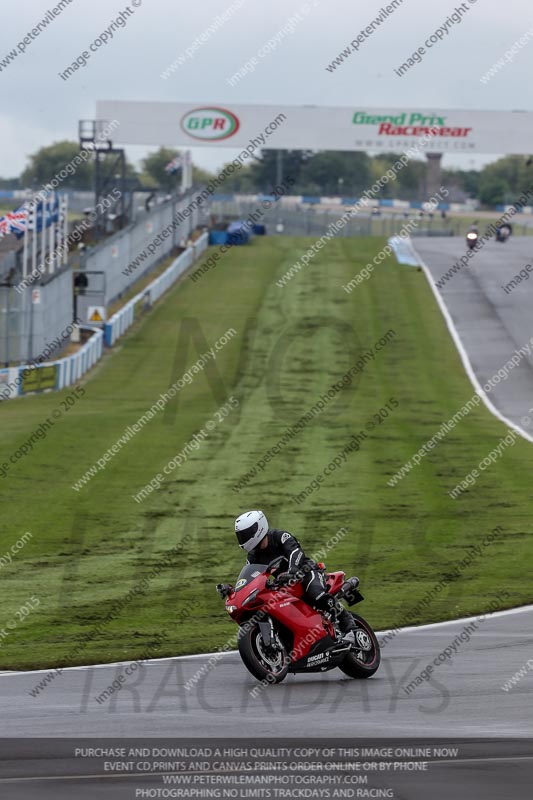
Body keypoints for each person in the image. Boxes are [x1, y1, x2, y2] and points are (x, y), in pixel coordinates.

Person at [234, 510, 357, 641]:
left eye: (245, 534)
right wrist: (235, 589)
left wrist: (292, 571)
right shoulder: (253, 555)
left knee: (316, 594)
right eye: (241, 535)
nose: (243, 538)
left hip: (307, 573)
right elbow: (251, 574)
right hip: (284, 584)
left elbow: (296, 552)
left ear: (258, 528)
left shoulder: (280, 536)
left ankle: (349, 626)